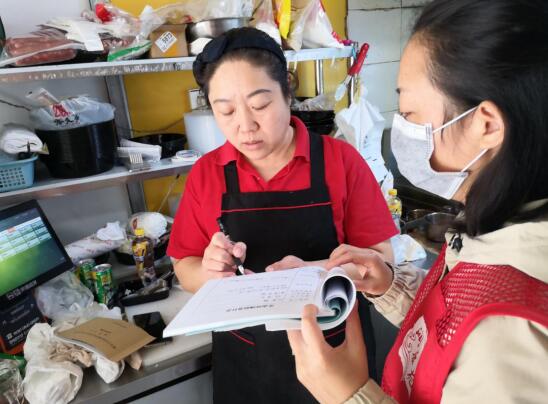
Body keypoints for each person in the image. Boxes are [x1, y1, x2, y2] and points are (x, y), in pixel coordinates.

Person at [286, 0, 548, 402]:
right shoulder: (497, 230)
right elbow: (455, 325)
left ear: (486, 125)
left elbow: (482, 332)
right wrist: (391, 286)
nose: (402, 131)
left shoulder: (508, 336)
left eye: (409, 113)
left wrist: (347, 394)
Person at [167, 27, 398, 403]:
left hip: (335, 356)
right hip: (246, 362)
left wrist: (309, 274)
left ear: (287, 91)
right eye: (226, 111)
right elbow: (185, 265)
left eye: (260, 105)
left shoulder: (340, 161)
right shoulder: (207, 174)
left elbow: (381, 262)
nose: (245, 126)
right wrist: (211, 273)